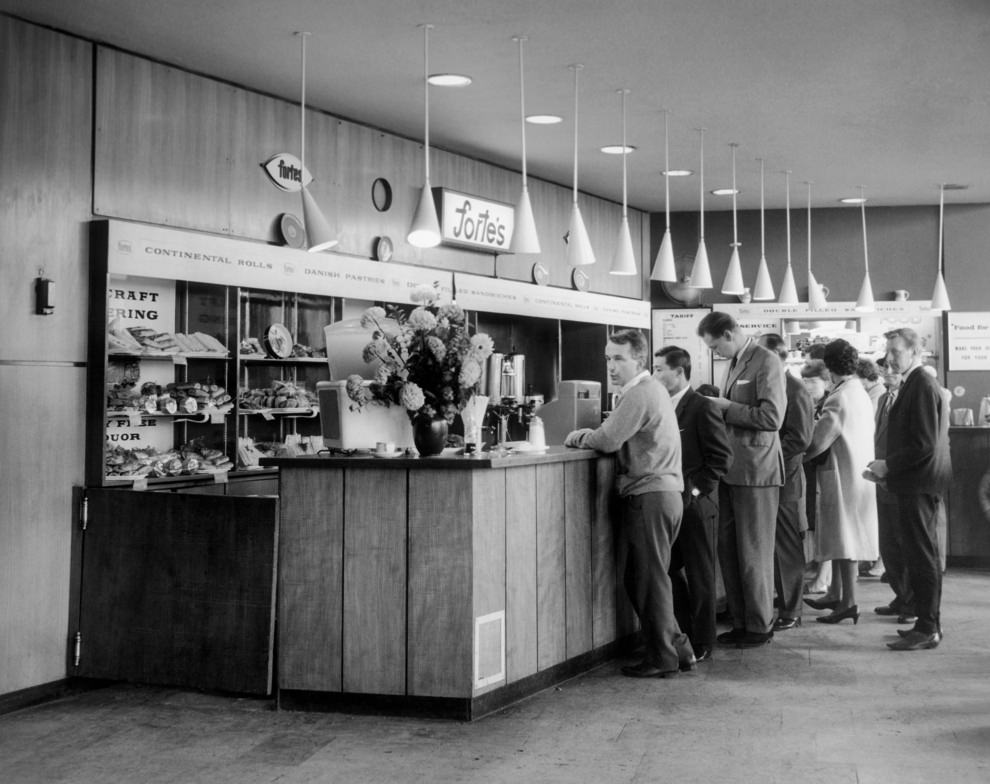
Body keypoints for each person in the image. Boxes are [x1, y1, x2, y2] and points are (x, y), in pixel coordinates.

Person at [564, 329, 694, 677]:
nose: (611, 366)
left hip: (649, 495)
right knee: (648, 578)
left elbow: (606, 440)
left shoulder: (639, 393)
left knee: (648, 581)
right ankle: (679, 649)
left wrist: (577, 436)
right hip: (664, 494)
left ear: (639, 359)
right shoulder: (654, 390)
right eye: (608, 358)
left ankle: (663, 658)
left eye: (619, 358)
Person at [696, 312, 786, 648]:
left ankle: (760, 626)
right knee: (730, 551)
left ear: (731, 333)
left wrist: (725, 406)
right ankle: (741, 620)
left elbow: (772, 416)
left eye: (717, 344)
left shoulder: (766, 361)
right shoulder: (734, 362)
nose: (716, 352)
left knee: (753, 552)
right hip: (733, 469)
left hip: (758, 471)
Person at [868, 328, 951, 651]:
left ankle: (928, 626)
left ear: (915, 353)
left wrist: (887, 465)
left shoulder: (921, 385)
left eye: (896, 352)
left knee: (923, 556)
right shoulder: (915, 384)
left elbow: (924, 445)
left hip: (919, 484)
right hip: (914, 483)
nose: (889, 359)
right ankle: (924, 622)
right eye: (888, 352)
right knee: (918, 555)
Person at [653, 345, 733, 662]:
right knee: (669, 568)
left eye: (660, 369)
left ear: (679, 371)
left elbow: (721, 458)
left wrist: (697, 492)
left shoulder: (701, 407)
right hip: (670, 500)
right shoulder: (660, 405)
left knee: (700, 575)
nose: (656, 374)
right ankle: (683, 633)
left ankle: (703, 642)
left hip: (695, 503)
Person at [803, 339, 878, 625]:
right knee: (843, 536)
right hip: (857, 472)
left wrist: (797, 453)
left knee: (845, 539)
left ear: (828, 365)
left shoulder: (839, 396)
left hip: (842, 473)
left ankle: (848, 603)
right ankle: (836, 594)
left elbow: (819, 441)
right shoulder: (858, 391)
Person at [757, 334, 814, 632]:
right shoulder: (771, 384)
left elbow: (801, 438)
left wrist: (768, 456)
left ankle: (791, 609)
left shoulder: (795, 388)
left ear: (776, 357)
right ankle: (781, 604)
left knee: (787, 545)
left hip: (786, 478)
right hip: (767, 477)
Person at [872, 359, 915, 623]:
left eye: (891, 368)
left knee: (904, 543)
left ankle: (912, 603)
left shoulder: (909, 401)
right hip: (881, 479)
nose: (886, 373)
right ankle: (901, 595)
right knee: (888, 545)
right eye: (883, 368)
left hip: (900, 479)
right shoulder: (882, 400)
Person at [799, 359, 833, 595]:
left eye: (813, 381)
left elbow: (820, 442)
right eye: (805, 381)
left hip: (825, 471)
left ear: (826, 381)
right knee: (814, 522)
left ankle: (824, 578)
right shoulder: (811, 404)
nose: (808, 386)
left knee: (825, 526)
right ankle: (818, 569)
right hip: (812, 472)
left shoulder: (829, 405)